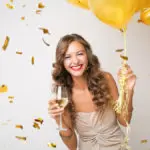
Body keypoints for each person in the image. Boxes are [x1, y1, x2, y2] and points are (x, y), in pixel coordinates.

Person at [48, 33, 136, 150]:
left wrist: (128, 91)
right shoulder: (63, 95)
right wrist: (59, 119)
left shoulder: (106, 79)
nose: (75, 61)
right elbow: (72, 146)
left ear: (88, 56)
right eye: (67, 57)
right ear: (62, 62)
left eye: (80, 54)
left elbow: (125, 121)